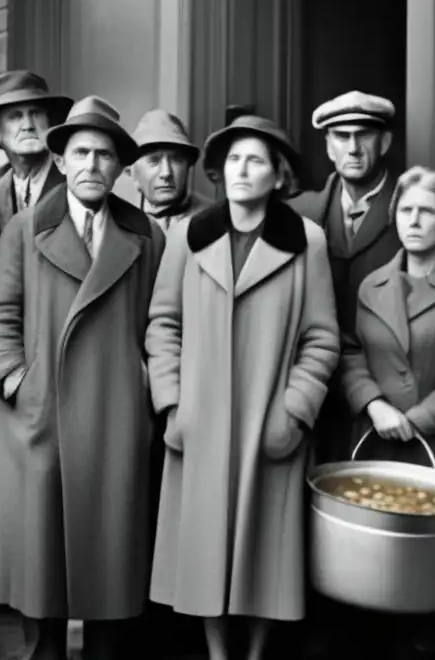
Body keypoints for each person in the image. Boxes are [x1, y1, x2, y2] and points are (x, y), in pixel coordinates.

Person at [146, 114, 339, 660]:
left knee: (264, 552)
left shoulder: (309, 242)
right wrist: (172, 405)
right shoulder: (189, 235)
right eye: (232, 159)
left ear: (279, 176)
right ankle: (215, 652)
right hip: (199, 422)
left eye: (254, 160)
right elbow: (163, 323)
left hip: (267, 420)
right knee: (204, 549)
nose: (240, 170)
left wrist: (294, 412)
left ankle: (254, 653)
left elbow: (322, 339)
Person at [0, 96, 166, 660]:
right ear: (60, 161)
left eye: (104, 154)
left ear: (119, 168)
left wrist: (143, 389)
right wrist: (17, 381)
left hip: (115, 414)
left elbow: (161, 320)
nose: (91, 164)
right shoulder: (25, 228)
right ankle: (45, 650)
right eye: (80, 152)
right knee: (41, 557)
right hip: (42, 414)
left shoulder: (146, 235)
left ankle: (105, 647)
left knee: (110, 552)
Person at [340, 167, 435, 634]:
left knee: (433, 581)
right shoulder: (371, 285)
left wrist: (414, 419)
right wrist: (373, 404)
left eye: (427, 212)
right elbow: (349, 353)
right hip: (375, 440)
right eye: (405, 210)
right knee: (373, 578)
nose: (413, 220)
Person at [289, 90, 399, 464]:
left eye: (363, 135)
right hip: (308, 393)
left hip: (385, 401)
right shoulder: (297, 214)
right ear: (328, 147)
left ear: (384, 142)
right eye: (341, 136)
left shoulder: (412, 213)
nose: (352, 148)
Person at [0, 70, 72, 229]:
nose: (28, 125)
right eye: (15, 116)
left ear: (49, 123)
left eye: (35, 113)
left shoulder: (74, 178)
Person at [128, 109, 213, 233]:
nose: (166, 173)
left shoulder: (213, 219)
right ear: (133, 171)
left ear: (188, 166)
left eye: (176, 160)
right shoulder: (117, 221)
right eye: (154, 161)